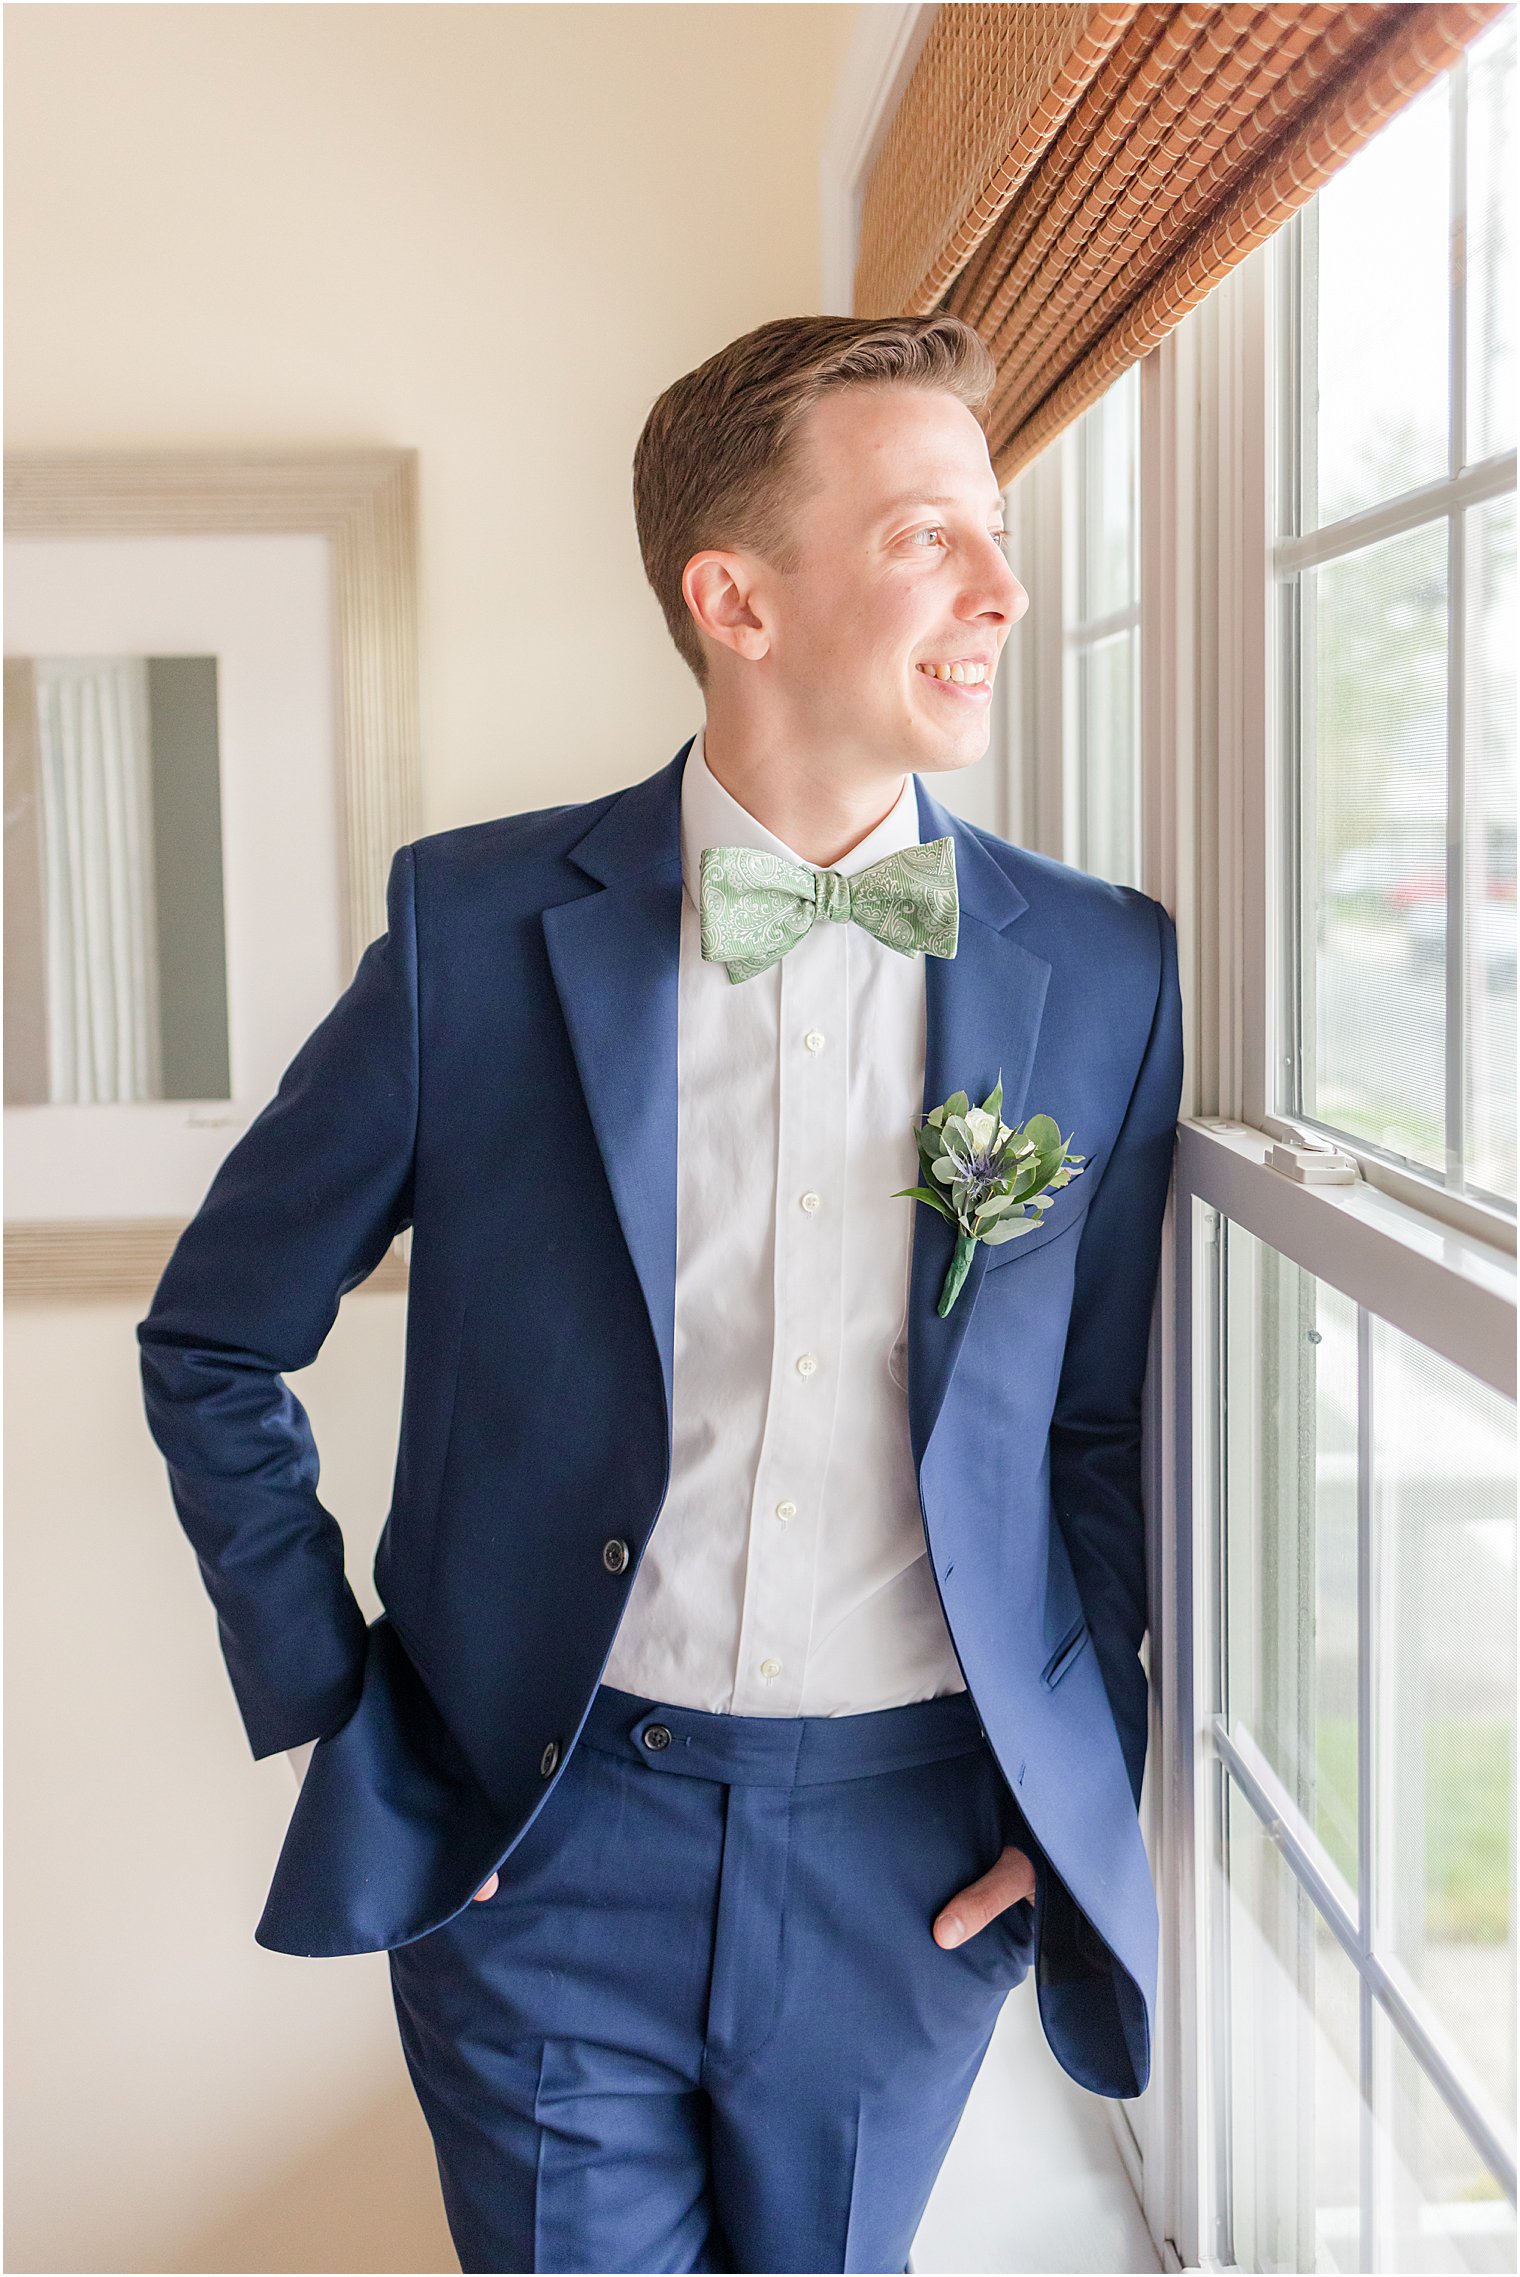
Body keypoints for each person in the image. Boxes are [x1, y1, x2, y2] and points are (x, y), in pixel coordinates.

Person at [138, 312, 1184, 2275]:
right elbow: (214, 1333)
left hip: (913, 1853)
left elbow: (1100, 1426)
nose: (1003, 587)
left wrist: (1068, 1779)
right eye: (925, 535)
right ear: (737, 597)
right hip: (535, 1836)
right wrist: (333, 1701)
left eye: (998, 531)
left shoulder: (1107, 970)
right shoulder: (473, 932)